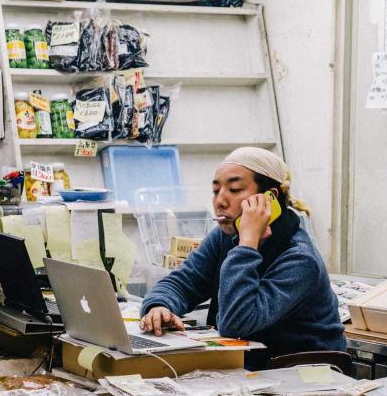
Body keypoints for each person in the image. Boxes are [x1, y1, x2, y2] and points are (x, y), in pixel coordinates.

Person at [139, 147, 346, 368]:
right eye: (216, 190)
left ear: (269, 198)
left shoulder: (300, 259)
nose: (220, 201)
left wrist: (247, 243)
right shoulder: (224, 235)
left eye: (235, 189)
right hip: (251, 367)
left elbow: (236, 324)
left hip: (304, 373)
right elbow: (183, 282)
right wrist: (159, 306)